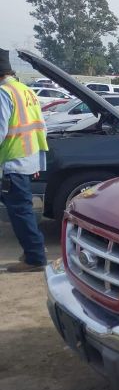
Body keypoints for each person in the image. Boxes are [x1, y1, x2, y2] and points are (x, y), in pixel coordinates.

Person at [0, 48, 49, 272]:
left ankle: (35, 257)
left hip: (11, 162)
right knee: (22, 210)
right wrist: (37, 162)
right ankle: (34, 252)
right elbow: (41, 128)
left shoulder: (4, 93)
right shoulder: (25, 90)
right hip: (26, 160)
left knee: (20, 211)